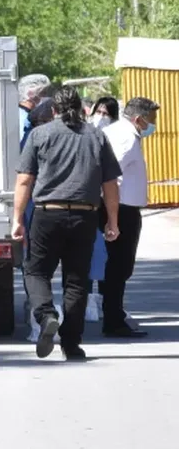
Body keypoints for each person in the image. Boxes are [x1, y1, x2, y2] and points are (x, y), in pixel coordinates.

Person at [14, 86, 121, 362]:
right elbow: (110, 184)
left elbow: (24, 180)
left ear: (53, 109)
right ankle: (71, 344)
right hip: (85, 215)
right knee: (77, 281)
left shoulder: (40, 134)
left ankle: (46, 314)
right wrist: (112, 221)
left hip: (48, 214)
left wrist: (17, 219)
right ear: (82, 109)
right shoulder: (96, 136)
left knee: (36, 272)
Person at [100, 96, 159, 338]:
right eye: (151, 119)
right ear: (138, 119)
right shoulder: (125, 137)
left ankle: (114, 315)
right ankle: (113, 320)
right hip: (121, 208)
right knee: (120, 266)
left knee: (116, 266)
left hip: (119, 206)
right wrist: (111, 216)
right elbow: (111, 176)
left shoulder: (118, 132)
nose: (153, 124)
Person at [18, 73, 52, 148]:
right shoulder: (23, 117)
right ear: (30, 93)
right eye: (43, 93)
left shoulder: (19, 112)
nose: (45, 97)